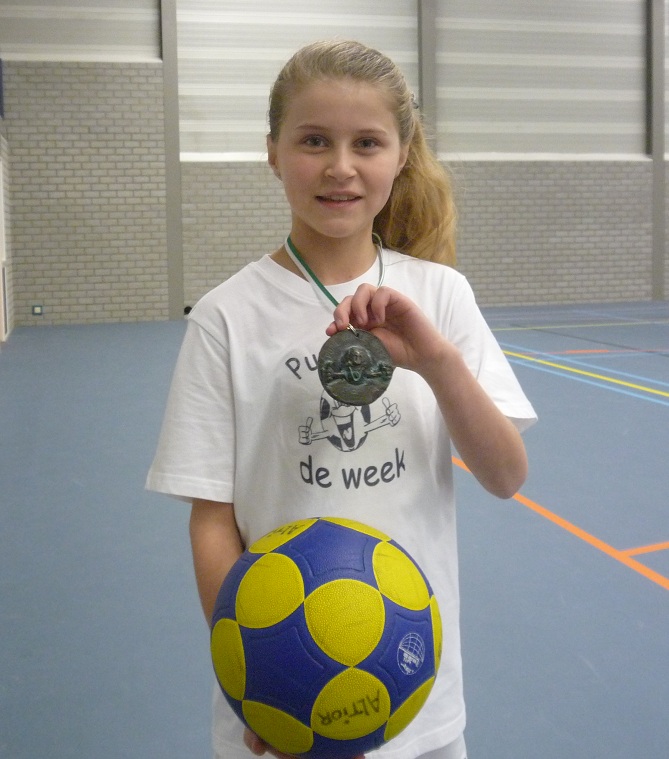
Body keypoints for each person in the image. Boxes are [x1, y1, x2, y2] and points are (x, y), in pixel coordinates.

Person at [146, 39, 537, 759]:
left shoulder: (440, 294)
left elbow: (506, 475)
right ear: (272, 152)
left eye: (367, 143)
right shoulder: (227, 316)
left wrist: (436, 362)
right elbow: (213, 517)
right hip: (285, 693)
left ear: (401, 154)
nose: (340, 166)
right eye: (313, 141)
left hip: (413, 690)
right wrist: (256, 674)